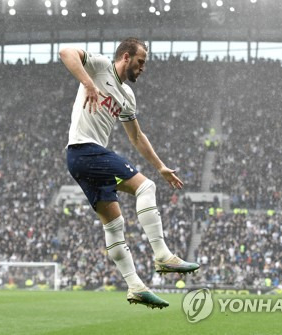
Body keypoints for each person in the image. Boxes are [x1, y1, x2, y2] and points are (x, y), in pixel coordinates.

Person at [59, 37, 199, 309]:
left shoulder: (127, 96)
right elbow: (65, 51)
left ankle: (135, 286)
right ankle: (162, 255)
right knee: (145, 188)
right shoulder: (100, 67)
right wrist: (88, 83)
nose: (143, 68)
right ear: (125, 57)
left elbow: (136, 135)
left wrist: (160, 166)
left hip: (83, 159)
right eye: (140, 62)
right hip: (84, 149)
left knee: (114, 224)